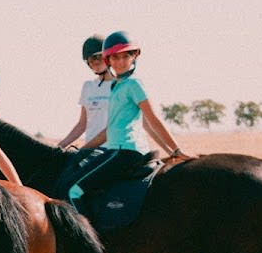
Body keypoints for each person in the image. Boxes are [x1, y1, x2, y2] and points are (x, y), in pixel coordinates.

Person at [60, 30, 189, 200]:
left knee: (73, 191)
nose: (120, 62)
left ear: (134, 56)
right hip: (111, 149)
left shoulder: (133, 84)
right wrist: (79, 150)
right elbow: (105, 130)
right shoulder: (117, 87)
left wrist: (175, 151)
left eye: (125, 56)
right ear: (108, 60)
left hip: (123, 150)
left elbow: (152, 120)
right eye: (115, 57)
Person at [56, 34, 113, 149]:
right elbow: (82, 124)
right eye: (90, 59)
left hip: (113, 148)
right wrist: (59, 146)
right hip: (91, 150)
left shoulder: (121, 86)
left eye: (98, 57)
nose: (95, 62)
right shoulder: (88, 87)